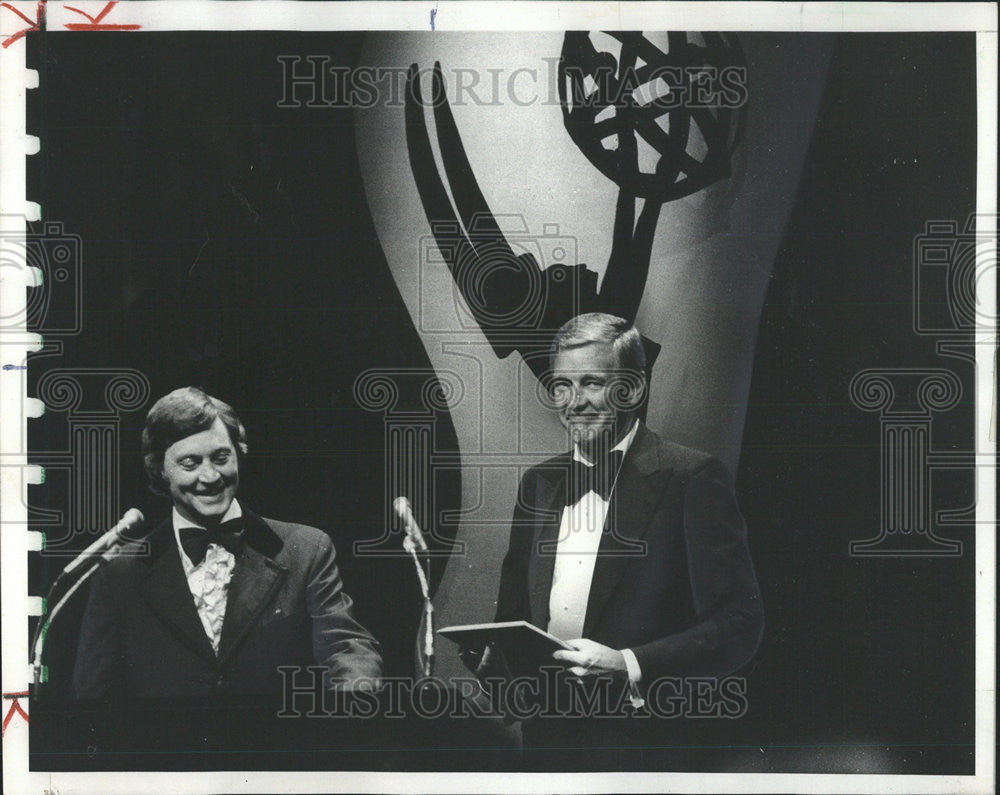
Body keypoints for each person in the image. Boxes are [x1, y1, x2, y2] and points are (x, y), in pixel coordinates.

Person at [467, 313, 764, 759]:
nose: (574, 401)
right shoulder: (537, 483)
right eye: (562, 385)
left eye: (592, 382)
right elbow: (516, 614)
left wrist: (628, 664)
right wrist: (503, 666)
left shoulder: (692, 478)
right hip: (547, 746)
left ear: (635, 389)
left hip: (649, 748)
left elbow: (740, 625)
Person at [73, 386, 383, 700]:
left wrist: (353, 709)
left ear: (239, 452)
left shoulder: (305, 549)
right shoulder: (119, 572)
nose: (210, 477)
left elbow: (346, 648)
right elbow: (94, 698)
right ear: (160, 469)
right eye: (190, 463)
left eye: (221, 457)